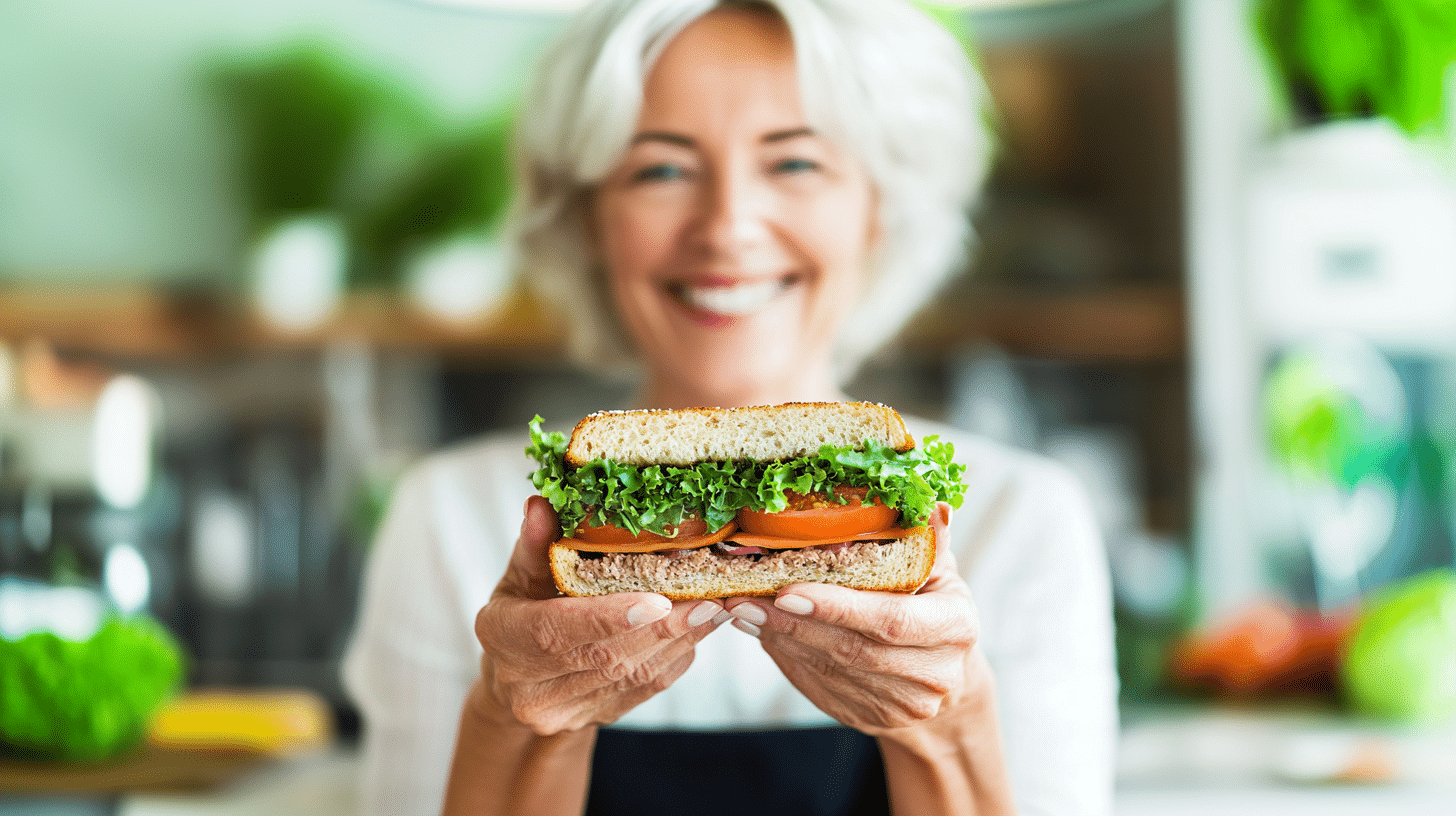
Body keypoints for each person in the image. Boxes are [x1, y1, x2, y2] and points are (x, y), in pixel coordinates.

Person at [342, 1, 1117, 814]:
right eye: (661, 170)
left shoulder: (1019, 520)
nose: (727, 228)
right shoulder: (450, 519)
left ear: (878, 211)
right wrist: (513, 718)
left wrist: (948, 722)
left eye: (795, 165)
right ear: (588, 222)